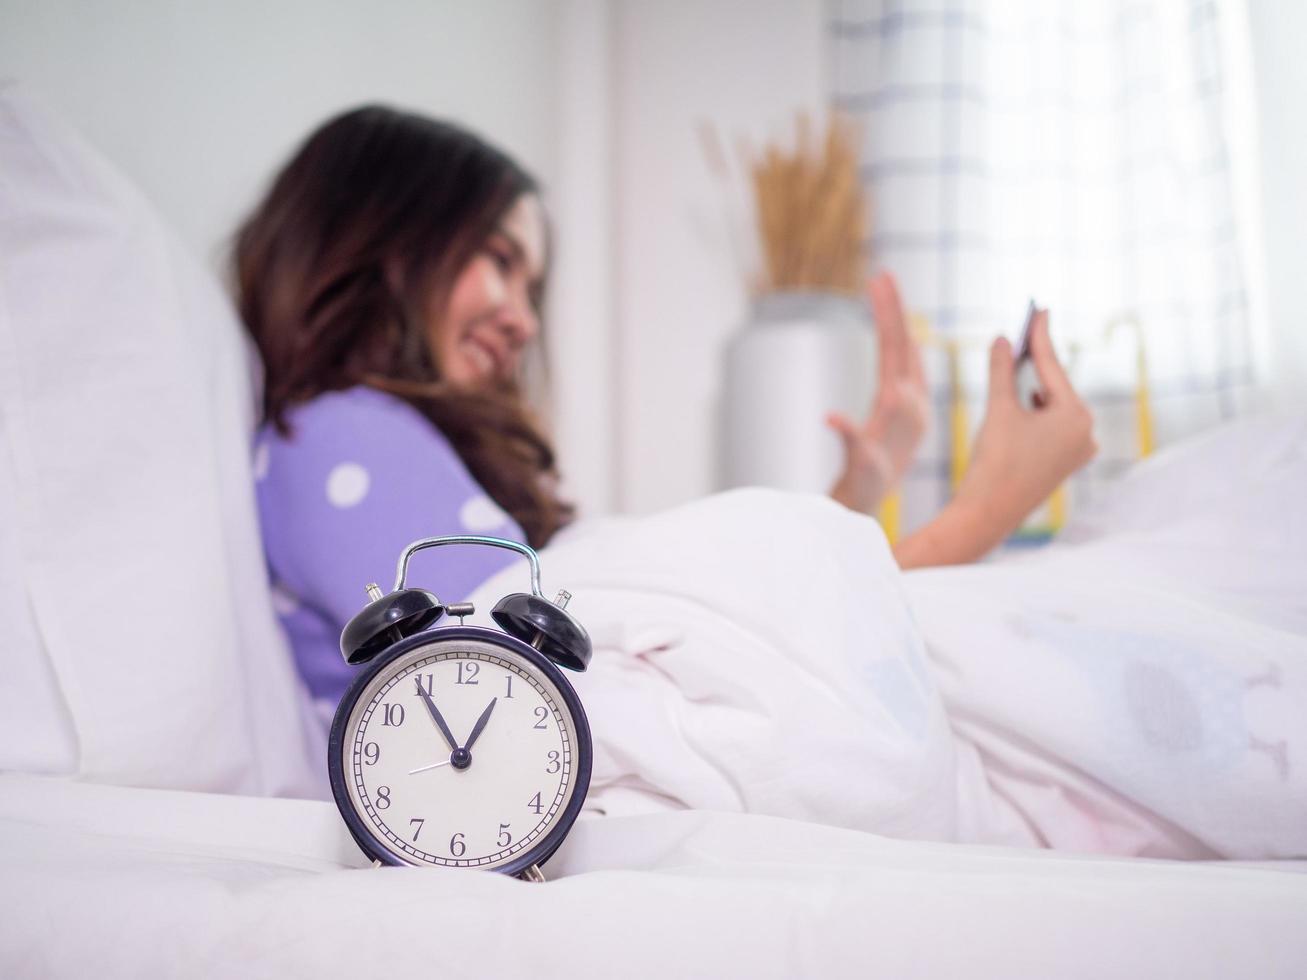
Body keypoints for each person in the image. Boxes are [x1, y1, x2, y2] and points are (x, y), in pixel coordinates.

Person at [235, 105, 1095, 717]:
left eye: (531, 285)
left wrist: (856, 500)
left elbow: (662, 641)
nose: (524, 319)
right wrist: (985, 510)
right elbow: (584, 696)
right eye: (499, 260)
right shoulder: (339, 435)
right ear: (375, 237)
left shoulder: (370, 444)